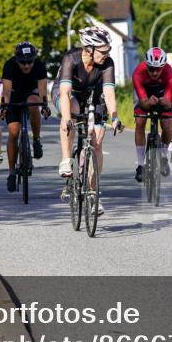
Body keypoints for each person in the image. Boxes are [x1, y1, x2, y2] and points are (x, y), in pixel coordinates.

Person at [52, 27, 123, 216]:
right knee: (72, 111)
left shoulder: (107, 63)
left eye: (108, 50)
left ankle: (93, 194)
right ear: (88, 49)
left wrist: (114, 117)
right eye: (103, 51)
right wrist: (67, 119)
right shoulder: (71, 58)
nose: (106, 54)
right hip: (69, 93)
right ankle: (67, 159)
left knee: (97, 142)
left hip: (93, 95)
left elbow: (108, 94)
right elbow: (65, 93)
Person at [1, 41, 51, 192]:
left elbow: (42, 92)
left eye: (30, 62)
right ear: (17, 60)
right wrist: (4, 107)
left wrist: (45, 107)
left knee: (34, 103)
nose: (27, 66)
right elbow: (7, 91)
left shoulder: (40, 66)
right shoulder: (9, 65)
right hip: (15, 96)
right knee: (14, 132)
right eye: (23, 62)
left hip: (31, 94)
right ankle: (11, 173)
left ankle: (36, 140)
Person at [132, 47, 172, 182]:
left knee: (168, 123)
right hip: (144, 95)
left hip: (162, 94)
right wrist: (147, 103)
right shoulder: (138, 73)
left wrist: (165, 102)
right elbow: (143, 103)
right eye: (151, 69)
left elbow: (169, 105)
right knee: (140, 122)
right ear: (146, 65)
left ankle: (163, 156)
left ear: (164, 67)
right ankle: (140, 165)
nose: (155, 72)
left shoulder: (170, 74)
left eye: (158, 69)